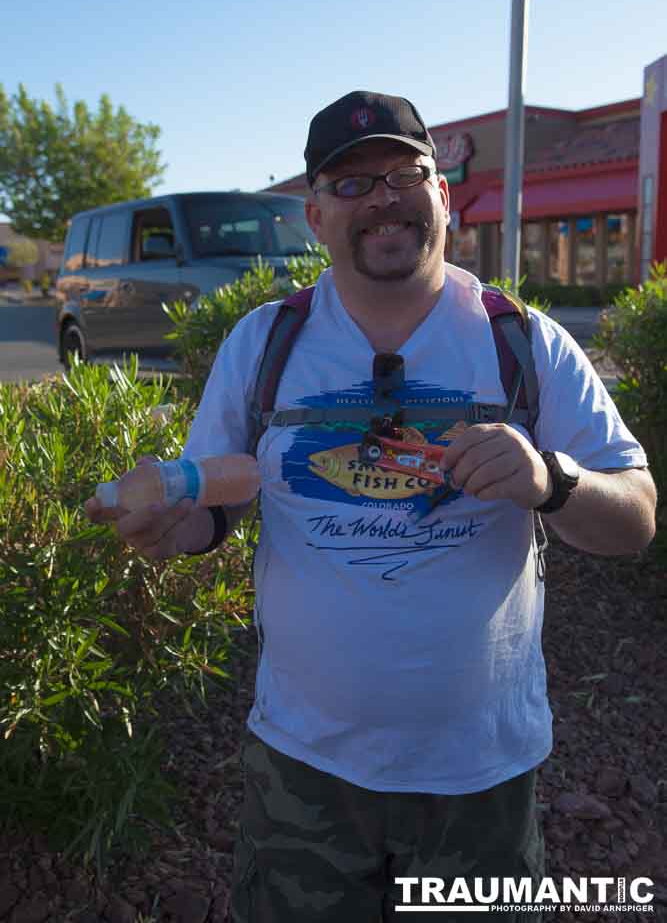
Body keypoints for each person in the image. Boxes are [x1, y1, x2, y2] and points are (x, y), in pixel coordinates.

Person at [85, 90, 657, 921]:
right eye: (351, 183)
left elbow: (635, 518)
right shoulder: (264, 343)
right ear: (316, 216)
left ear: (443, 196)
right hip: (305, 767)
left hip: (479, 775)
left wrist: (550, 480)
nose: (383, 199)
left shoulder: (523, 341)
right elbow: (217, 497)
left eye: (404, 174)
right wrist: (175, 524)